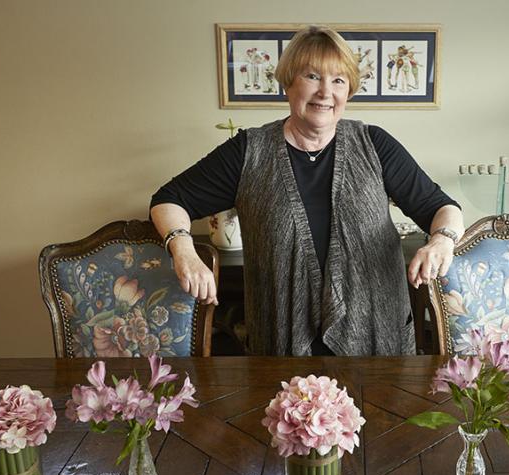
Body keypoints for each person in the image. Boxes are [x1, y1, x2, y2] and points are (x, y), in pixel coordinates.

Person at [150, 25, 464, 356]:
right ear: (288, 83)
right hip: (282, 346)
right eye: (313, 76)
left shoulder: (375, 145)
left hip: (375, 341)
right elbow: (169, 200)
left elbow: (441, 207)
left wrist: (442, 240)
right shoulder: (248, 152)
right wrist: (184, 251)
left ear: (349, 91)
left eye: (338, 80)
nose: (325, 92)